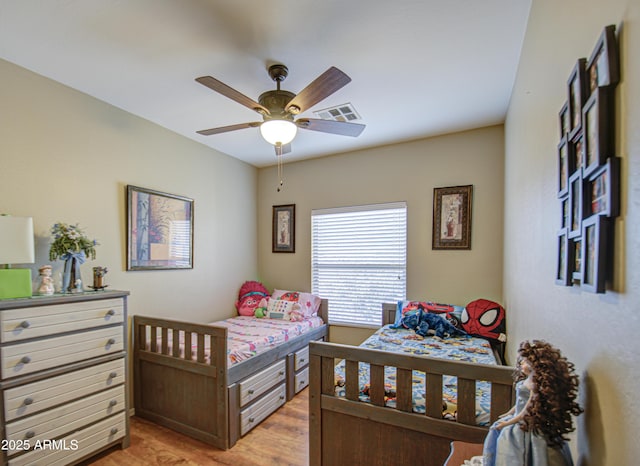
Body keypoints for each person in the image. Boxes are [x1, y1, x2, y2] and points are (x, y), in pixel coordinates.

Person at [483, 340, 583, 466]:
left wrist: (508, 422)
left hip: (526, 422)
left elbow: (527, 409)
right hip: (519, 418)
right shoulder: (530, 380)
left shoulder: (535, 384)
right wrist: (508, 413)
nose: (521, 364)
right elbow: (521, 403)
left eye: (525, 362)